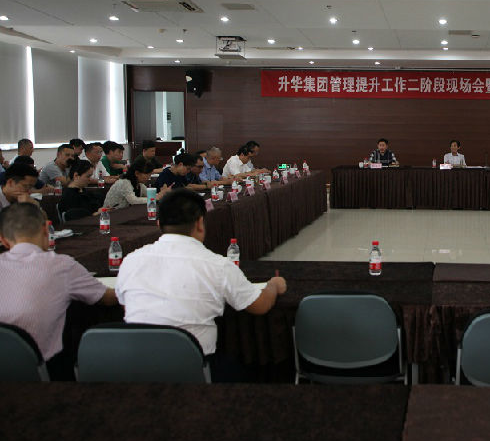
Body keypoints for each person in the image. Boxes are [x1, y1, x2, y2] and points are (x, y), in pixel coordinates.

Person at [115, 189, 286, 381]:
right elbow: (259, 306)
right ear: (200, 223)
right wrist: (273, 285)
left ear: (158, 224)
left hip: (135, 366)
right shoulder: (217, 265)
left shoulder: (131, 260)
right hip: (194, 367)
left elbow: (126, 305)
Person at [0, 202, 117, 379]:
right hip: (44, 372)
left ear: (3, 240)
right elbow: (108, 298)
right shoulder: (61, 265)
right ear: (46, 231)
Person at [104, 157, 169, 210]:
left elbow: (150, 195)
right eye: (147, 175)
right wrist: (155, 198)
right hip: (111, 213)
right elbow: (133, 200)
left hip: (124, 212)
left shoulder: (139, 184)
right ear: (137, 173)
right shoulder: (124, 182)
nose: (149, 177)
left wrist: (162, 194)